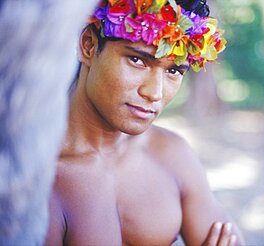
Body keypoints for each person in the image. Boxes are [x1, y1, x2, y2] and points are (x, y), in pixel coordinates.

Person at [44, 0, 244, 245]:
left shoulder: (170, 155)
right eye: (138, 60)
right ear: (89, 45)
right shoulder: (35, 177)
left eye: (173, 71)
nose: (155, 93)